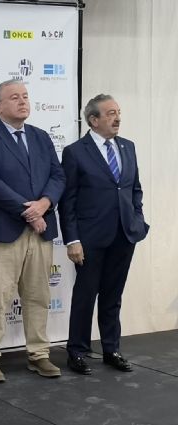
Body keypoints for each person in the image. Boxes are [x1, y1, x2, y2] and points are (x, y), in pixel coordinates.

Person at [0, 80, 65, 383]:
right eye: (14, 97)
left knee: (38, 296)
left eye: (25, 96)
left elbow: (58, 175)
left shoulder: (41, 137)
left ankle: (39, 354)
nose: (22, 102)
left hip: (40, 231)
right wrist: (29, 212)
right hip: (0, 232)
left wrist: (44, 204)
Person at [58, 94, 149, 375]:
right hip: (89, 238)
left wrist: (137, 219)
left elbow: (134, 189)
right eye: (110, 113)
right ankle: (77, 351)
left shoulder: (128, 146)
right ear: (93, 120)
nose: (117, 118)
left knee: (113, 295)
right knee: (85, 295)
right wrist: (72, 239)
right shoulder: (75, 152)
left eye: (118, 112)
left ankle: (111, 349)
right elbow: (67, 201)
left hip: (124, 234)